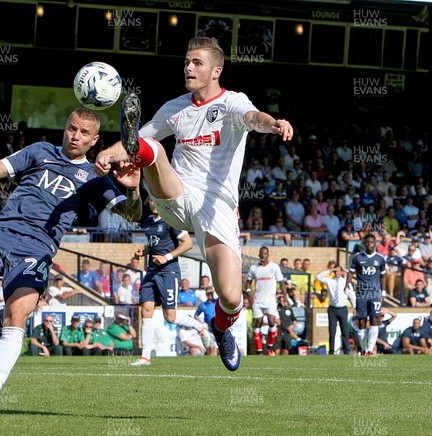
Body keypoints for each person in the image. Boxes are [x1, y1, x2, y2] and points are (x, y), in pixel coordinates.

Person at [95, 36, 293, 371]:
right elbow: (141, 136)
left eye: (196, 62)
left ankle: (221, 327)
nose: (188, 67)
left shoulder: (232, 103)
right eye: (186, 61)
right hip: (177, 196)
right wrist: (106, 154)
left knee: (231, 297)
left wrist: (272, 124)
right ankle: (138, 171)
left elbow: (253, 117)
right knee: (150, 148)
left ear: (216, 70)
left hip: (216, 208)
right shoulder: (174, 108)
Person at [0, 110, 141, 422]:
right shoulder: (38, 151)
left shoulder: (96, 178)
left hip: (38, 248)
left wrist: (134, 189)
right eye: (72, 128)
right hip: (2, 231)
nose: (76, 136)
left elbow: (132, 214)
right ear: (65, 128)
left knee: (15, 316)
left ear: (95, 140)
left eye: (85, 133)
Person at [130, 198, 208, 366]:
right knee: (146, 309)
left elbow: (188, 243)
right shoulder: (148, 221)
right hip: (151, 271)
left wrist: (166, 257)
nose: (152, 203)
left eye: (154, 200)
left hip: (168, 272)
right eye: (149, 200)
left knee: (170, 317)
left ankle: (199, 327)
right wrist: (142, 252)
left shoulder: (171, 220)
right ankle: (145, 357)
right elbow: (153, 245)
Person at [344, 233, 387, 357]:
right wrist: (346, 285)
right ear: (364, 244)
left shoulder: (380, 259)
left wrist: (383, 292)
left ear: (375, 244)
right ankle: (363, 350)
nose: (369, 244)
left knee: (374, 319)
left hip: (375, 294)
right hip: (361, 294)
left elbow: (383, 275)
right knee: (361, 322)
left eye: (372, 242)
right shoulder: (357, 257)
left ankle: (369, 349)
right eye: (367, 242)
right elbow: (351, 272)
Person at [245, 246, 288, 356]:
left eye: (265, 254)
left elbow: (281, 282)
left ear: (268, 255)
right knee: (257, 323)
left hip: (270, 300)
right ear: (259, 255)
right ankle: (259, 351)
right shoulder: (254, 268)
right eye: (261, 254)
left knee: (272, 321)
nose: (263, 255)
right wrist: (249, 292)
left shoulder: (274, 267)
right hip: (258, 301)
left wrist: (285, 298)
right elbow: (248, 283)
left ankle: (270, 347)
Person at [316, 266, 353, 355]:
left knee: (344, 331)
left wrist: (354, 306)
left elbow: (351, 294)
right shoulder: (330, 281)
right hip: (332, 309)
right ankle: (331, 351)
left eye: (338, 271)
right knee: (332, 331)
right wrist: (330, 270)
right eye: (335, 271)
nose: (336, 273)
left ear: (341, 272)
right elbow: (318, 277)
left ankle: (346, 351)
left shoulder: (345, 281)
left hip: (343, 308)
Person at [274, 289, 301, 355]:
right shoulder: (276, 307)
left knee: (286, 351)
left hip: (287, 332)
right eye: (280, 297)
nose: (281, 299)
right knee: (277, 350)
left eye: (283, 297)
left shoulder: (289, 308)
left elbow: (294, 320)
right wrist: (277, 296)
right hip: (278, 331)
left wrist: (292, 326)